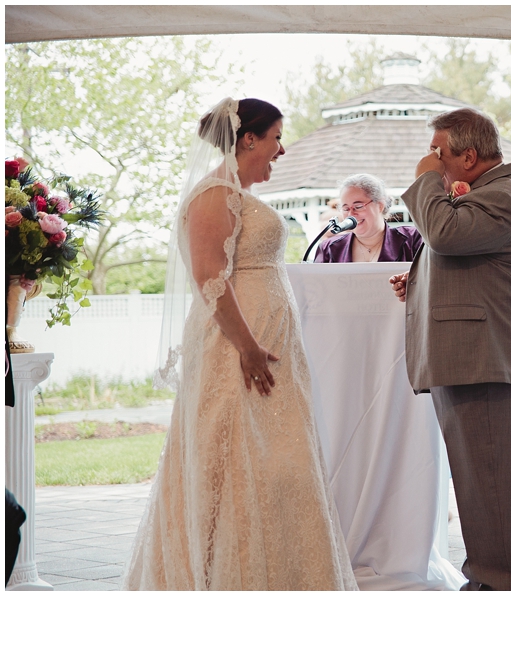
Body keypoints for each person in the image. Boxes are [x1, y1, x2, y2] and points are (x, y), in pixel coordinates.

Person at [122, 98, 357, 590]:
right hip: (236, 351)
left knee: (280, 460)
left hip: (268, 348)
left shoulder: (238, 195)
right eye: (275, 137)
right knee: (239, 462)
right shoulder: (213, 195)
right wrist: (248, 347)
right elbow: (210, 279)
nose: (281, 148)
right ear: (248, 139)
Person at [390, 108, 511, 591]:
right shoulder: (488, 193)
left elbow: (445, 234)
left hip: (487, 362)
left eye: (440, 152)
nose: (432, 160)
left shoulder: (504, 197)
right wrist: (417, 282)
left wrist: (424, 179)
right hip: (473, 359)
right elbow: (465, 260)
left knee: (490, 492)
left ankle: (495, 594)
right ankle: (490, 588)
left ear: (469, 156)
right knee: (479, 490)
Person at [314, 173, 423, 263]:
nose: (351, 214)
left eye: (358, 207)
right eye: (346, 209)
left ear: (380, 205)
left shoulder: (413, 240)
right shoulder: (329, 249)